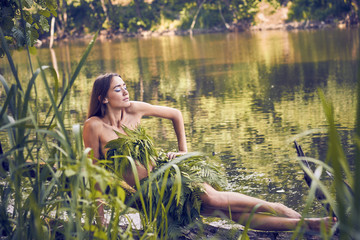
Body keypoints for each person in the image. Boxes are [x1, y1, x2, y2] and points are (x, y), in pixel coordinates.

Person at [83, 73, 333, 232]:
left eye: (125, 86)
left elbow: (175, 114)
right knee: (230, 214)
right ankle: (308, 225)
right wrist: (100, 215)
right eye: (118, 89)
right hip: (156, 193)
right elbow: (94, 171)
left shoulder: (134, 110)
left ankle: (278, 207)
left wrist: (183, 153)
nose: (126, 91)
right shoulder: (94, 126)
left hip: (169, 173)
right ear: (103, 97)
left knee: (214, 200)